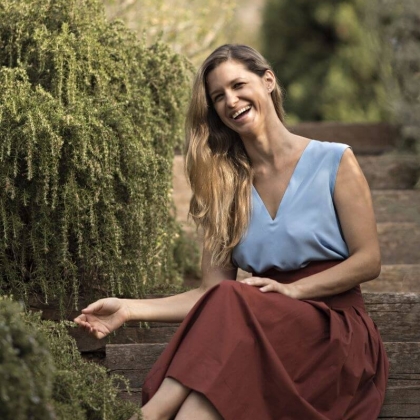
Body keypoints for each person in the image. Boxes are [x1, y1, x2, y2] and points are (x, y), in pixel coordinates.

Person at [74, 44, 389, 420]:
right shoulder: (223, 186)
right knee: (196, 407)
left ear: (268, 81)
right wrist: (128, 309)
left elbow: (368, 261)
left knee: (230, 299)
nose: (231, 101)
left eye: (238, 85)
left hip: (332, 333)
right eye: (218, 96)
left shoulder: (334, 160)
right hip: (258, 331)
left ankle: (150, 414)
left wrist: (294, 290)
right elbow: (210, 294)